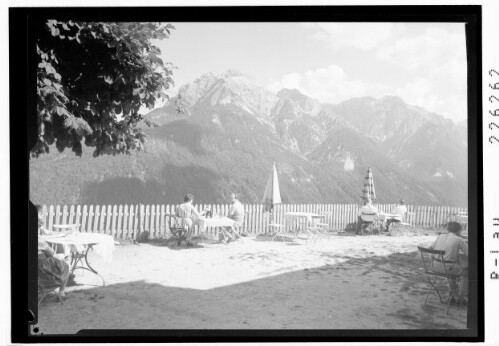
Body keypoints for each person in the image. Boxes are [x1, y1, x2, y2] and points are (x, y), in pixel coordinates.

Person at [429, 222, 468, 306]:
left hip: (435, 266)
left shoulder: (440, 236)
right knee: (467, 272)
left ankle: (452, 296)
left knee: (452, 267)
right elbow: (469, 253)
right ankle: (460, 298)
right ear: (459, 231)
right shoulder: (459, 239)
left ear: (448, 229)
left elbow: (430, 248)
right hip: (448, 269)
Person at [37, 207, 70, 299]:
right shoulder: (40, 240)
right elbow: (51, 253)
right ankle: (61, 293)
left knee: (60, 258)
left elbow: (48, 232)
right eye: (40, 214)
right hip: (42, 269)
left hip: (34, 267)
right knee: (65, 263)